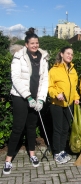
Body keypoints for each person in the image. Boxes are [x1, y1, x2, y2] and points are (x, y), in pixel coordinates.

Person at [3, 27, 49, 175]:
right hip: (21, 97)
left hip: (36, 99)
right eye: (32, 43)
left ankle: (32, 154)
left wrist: (40, 99)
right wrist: (27, 96)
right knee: (18, 128)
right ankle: (8, 160)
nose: (35, 45)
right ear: (26, 44)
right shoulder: (18, 57)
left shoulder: (43, 57)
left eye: (37, 43)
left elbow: (44, 80)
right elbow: (15, 78)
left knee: (31, 127)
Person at [48, 46, 80, 164]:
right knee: (58, 129)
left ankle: (62, 150)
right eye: (68, 53)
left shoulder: (73, 70)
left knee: (66, 129)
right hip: (57, 104)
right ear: (61, 54)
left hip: (69, 103)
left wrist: (76, 98)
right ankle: (56, 152)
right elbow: (50, 87)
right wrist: (56, 94)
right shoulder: (54, 70)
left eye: (72, 54)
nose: (70, 56)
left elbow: (74, 88)